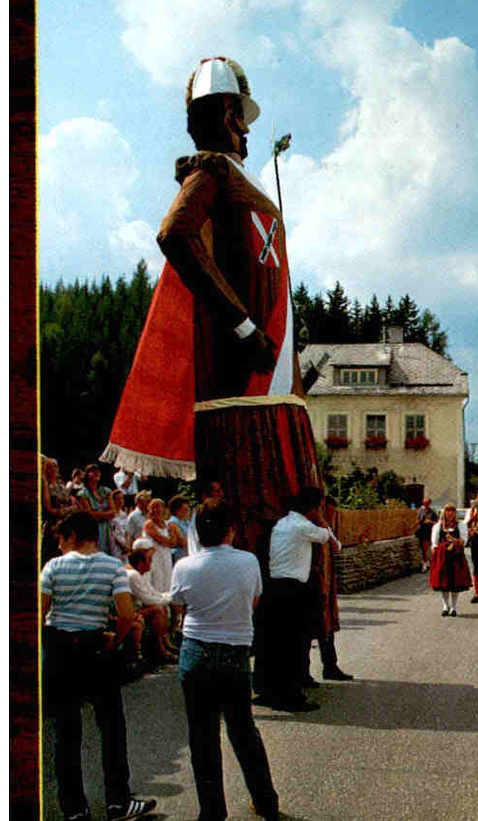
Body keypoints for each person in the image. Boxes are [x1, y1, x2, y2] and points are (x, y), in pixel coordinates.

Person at [102, 56, 321, 558]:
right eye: (240, 116)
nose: (245, 128)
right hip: (241, 391)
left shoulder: (244, 182)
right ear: (227, 117)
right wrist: (244, 327)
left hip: (276, 391)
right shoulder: (211, 173)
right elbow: (175, 233)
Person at [40, 510, 157, 821]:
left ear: (73, 536)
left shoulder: (53, 567)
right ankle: (119, 803)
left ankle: (74, 810)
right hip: (94, 646)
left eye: (61, 539)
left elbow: (40, 611)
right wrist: (114, 640)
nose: (60, 545)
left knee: (66, 733)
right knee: (110, 726)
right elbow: (125, 612)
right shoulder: (112, 566)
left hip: (60, 647)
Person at [170, 498, 279, 821]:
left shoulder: (185, 566)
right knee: (243, 729)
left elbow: (179, 604)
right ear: (231, 530)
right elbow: (255, 601)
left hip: (197, 649)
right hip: (235, 650)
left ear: (197, 533)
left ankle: (212, 818)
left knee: (203, 737)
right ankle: (266, 801)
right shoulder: (247, 561)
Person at [254, 487, 340, 711]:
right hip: (292, 588)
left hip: (274, 585)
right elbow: (332, 542)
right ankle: (290, 695)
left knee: (273, 643)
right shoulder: (303, 526)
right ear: (312, 508)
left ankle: (266, 689)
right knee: (291, 643)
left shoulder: (283, 523)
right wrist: (320, 517)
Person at [313, 494, 352, 681]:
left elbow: (336, 546)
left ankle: (330, 666)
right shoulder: (313, 529)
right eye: (328, 512)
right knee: (317, 627)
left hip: (326, 584)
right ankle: (309, 672)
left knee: (327, 627)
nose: (331, 515)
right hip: (315, 584)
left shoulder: (324, 529)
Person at [125, 540, 180, 664]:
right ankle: (160, 648)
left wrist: (168, 597)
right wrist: (169, 599)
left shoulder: (139, 574)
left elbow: (152, 593)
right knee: (157, 608)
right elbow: (147, 598)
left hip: (138, 608)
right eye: (149, 560)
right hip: (130, 611)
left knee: (162, 606)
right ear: (140, 563)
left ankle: (165, 643)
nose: (151, 563)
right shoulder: (132, 575)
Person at [429, 504, 471, 617]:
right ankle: (445, 606)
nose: (450, 513)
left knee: (455, 582)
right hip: (443, 557)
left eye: (452, 511)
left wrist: (455, 541)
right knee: (443, 582)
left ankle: (454, 607)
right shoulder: (438, 526)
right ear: (444, 513)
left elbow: (464, 540)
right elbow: (434, 542)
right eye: (448, 511)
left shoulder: (461, 525)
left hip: (456, 556)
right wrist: (436, 551)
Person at [142, 498, 184, 594]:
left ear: (163, 509)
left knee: (167, 581)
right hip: (153, 558)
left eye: (157, 507)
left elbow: (173, 543)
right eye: (152, 508)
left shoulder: (166, 524)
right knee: (157, 582)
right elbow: (162, 540)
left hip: (166, 556)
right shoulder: (149, 524)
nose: (155, 510)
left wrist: (171, 537)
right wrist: (172, 534)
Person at [76, 463, 115, 555]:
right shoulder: (83, 494)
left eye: (98, 472)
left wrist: (97, 514)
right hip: (94, 530)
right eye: (93, 472)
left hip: (107, 529)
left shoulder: (106, 491)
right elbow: (90, 515)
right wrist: (106, 514)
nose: (96, 473)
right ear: (87, 475)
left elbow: (113, 513)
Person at [415, 497, 438, 572]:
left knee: (426, 548)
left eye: (427, 503)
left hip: (429, 532)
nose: (426, 505)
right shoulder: (420, 511)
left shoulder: (432, 512)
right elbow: (418, 519)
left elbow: (437, 523)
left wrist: (430, 522)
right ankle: (427, 562)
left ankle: (426, 564)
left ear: (429, 503)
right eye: (424, 503)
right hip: (421, 531)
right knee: (423, 549)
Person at [168, 493, 192, 564]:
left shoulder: (186, 522)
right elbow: (182, 542)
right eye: (185, 509)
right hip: (180, 557)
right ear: (176, 510)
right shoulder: (172, 522)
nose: (188, 511)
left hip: (188, 555)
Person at [110, 488, 131, 561]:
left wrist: (127, 545)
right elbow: (111, 533)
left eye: (122, 498)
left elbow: (127, 532)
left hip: (125, 548)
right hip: (114, 547)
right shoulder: (110, 515)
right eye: (118, 499)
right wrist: (122, 545)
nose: (120, 501)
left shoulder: (124, 515)